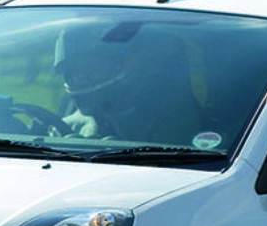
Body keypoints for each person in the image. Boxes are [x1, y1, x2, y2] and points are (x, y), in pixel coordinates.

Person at [53, 20, 205, 145]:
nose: (79, 79)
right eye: (71, 73)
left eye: (89, 70)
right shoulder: (69, 121)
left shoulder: (173, 115)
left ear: (128, 64)